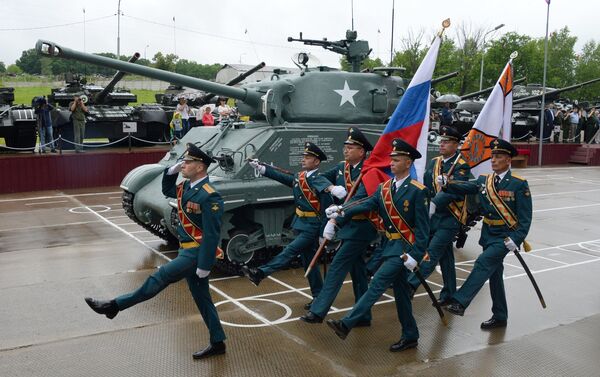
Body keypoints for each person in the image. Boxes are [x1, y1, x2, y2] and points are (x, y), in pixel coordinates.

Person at [84, 143, 228, 360]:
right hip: (185, 251)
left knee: (159, 277)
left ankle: (114, 306)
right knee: (202, 299)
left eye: (188, 162)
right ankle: (218, 342)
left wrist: (205, 265)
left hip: (195, 254)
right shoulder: (186, 188)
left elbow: (211, 234)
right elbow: (167, 190)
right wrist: (170, 173)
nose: (184, 165)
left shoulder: (210, 196)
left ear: (200, 167)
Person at [325, 138, 429, 353]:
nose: (391, 163)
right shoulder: (384, 188)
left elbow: (423, 229)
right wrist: (342, 210)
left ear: (408, 163)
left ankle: (347, 324)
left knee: (377, 284)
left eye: (397, 160)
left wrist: (416, 255)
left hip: (404, 251)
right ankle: (410, 335)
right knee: (401, 295)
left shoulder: (418, 191)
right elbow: (365, 203)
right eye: (391, 160)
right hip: (390, 246)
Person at [444, 139, 532, 330]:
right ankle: (500, 315)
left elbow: (525, 218)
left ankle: (460, 301)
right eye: (492, 156)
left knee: (484, 262)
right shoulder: (485, 180)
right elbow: (467, 186)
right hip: (488, 234)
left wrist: (516, 239)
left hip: (505, 236)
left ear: (508, 160)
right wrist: (448, 183)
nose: (493, 160)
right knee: (494, 275)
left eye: (498, 156)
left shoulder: (519, 184)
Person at [243, 142, 335, 309]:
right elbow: (282, 177)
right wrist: (262, 168)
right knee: (309, 263)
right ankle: (318, 297)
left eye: (308, 158)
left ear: (316, 162)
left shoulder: (320, 180)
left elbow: (327, 210)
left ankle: (261, 273)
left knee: (291, 250)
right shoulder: (301, 177)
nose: (304, 160)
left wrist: (323, 233)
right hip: (301, 224)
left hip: (312, 226)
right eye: (304, 157)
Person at [300, 127, 377, 325]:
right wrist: (331, 187)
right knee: (358, 272)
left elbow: (362, 199)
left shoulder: (368, 171)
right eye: (345, 147)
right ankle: (363, 316)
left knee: (337, 266)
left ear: (361, 151)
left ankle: (318, 311)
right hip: (349, 225)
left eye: (351, 147)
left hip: (362, 226)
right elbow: (318, 176)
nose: (346, 150)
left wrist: (336, 218)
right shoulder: (343, 167)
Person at [406, 126, 470, 306]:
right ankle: (449, 293)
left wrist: (440, 197)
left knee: (432, 253)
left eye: (447, 142)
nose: (442, 144)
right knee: (446, 257)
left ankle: (411, 284)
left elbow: (458, 193)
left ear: (456, 145)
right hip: (433, 217)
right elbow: (426, 187)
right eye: (441, 141)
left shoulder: (461, 166)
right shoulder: (435, 162)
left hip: (450, 217)